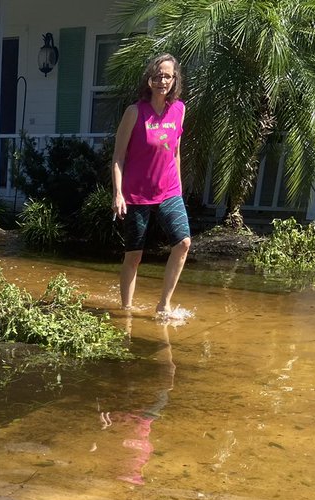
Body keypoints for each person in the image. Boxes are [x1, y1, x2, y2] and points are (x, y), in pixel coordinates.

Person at [111, 54, 191, 317]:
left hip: (169, 191)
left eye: (167, 76)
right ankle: (126, 311)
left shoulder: (179, 109)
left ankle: (164, 304)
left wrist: (178, 188)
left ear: (174, 79)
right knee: (134, 255)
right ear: (149, 79)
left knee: (183, 244)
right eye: (157, 76)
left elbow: (176, 151)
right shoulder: (135, 112)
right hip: (136, 194)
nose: (162, 81)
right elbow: (118, 157)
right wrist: (118, 194)